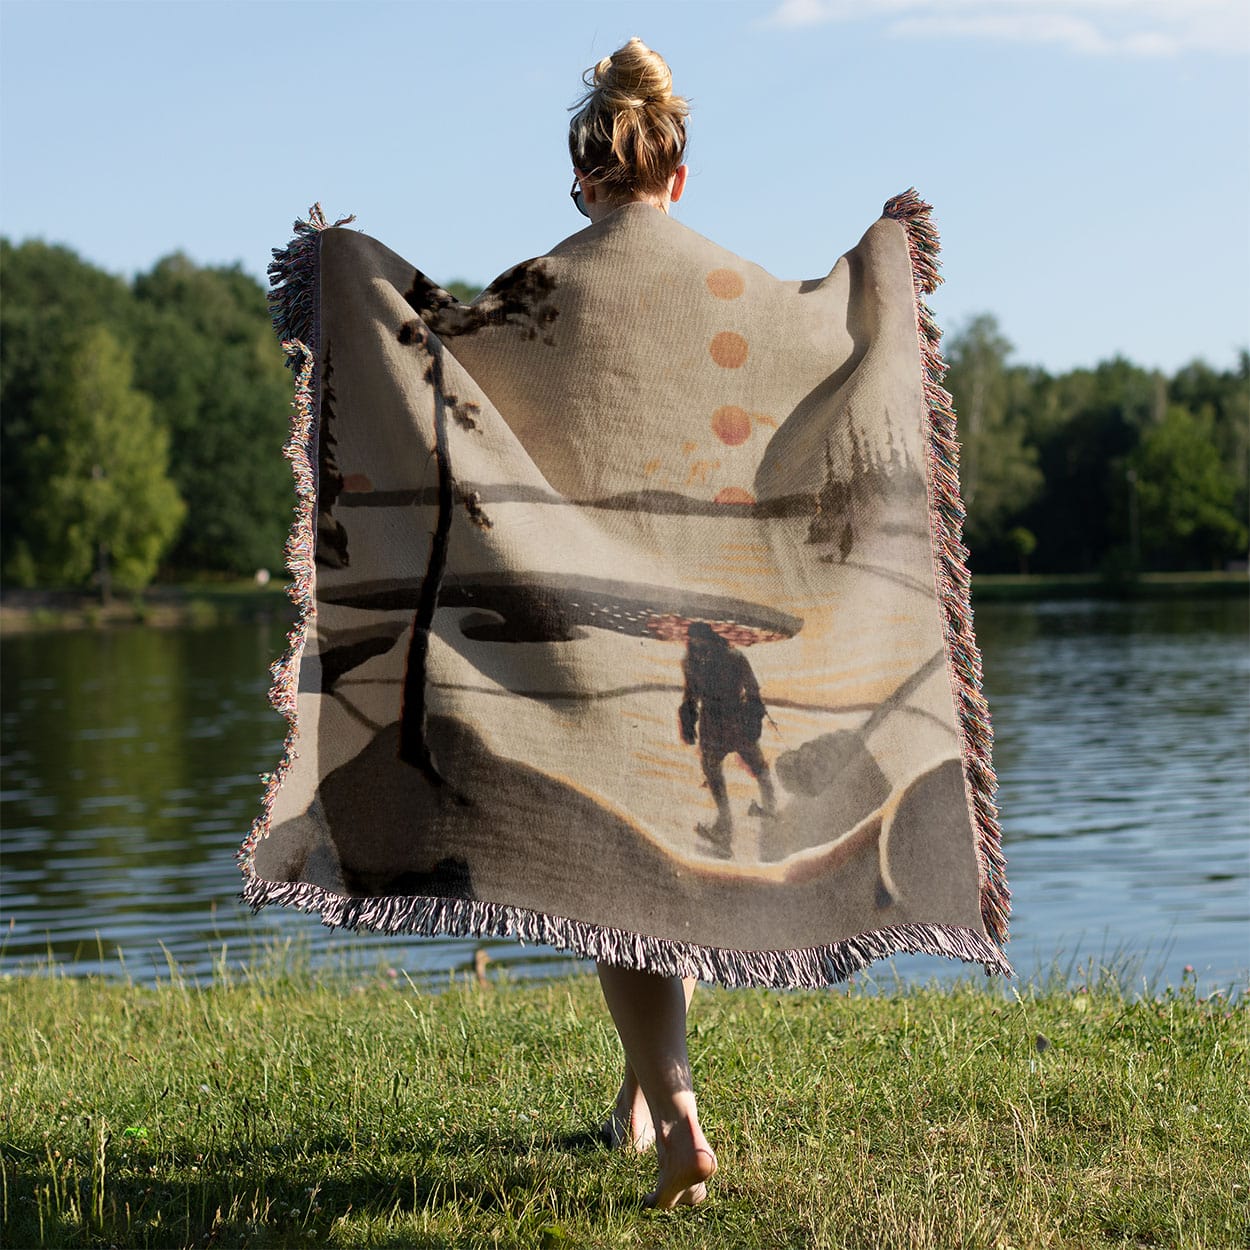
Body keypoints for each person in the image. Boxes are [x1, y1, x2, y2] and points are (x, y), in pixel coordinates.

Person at [567, 37, 718, 1210]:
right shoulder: (729, 287)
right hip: (704, 623)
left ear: (583, 180)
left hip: (586, 621)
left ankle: (674, 1113)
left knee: (615, 880)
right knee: (662, 865)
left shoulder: (541, 285)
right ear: (677, 175)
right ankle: (633, 1100)